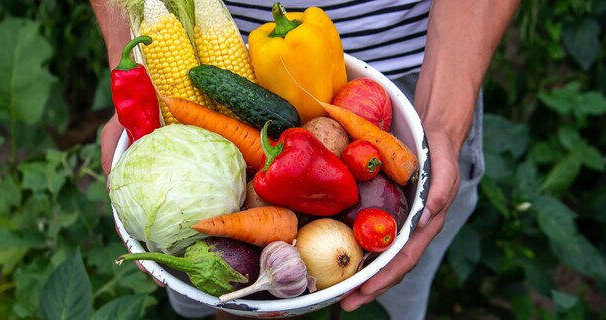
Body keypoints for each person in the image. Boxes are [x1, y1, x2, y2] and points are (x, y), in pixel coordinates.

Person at [90, 0, 520, 319]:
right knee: (223, 295)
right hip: (221, 62)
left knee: (395, 297)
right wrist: (131, 69)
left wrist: (442, 120)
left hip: (420, 73)